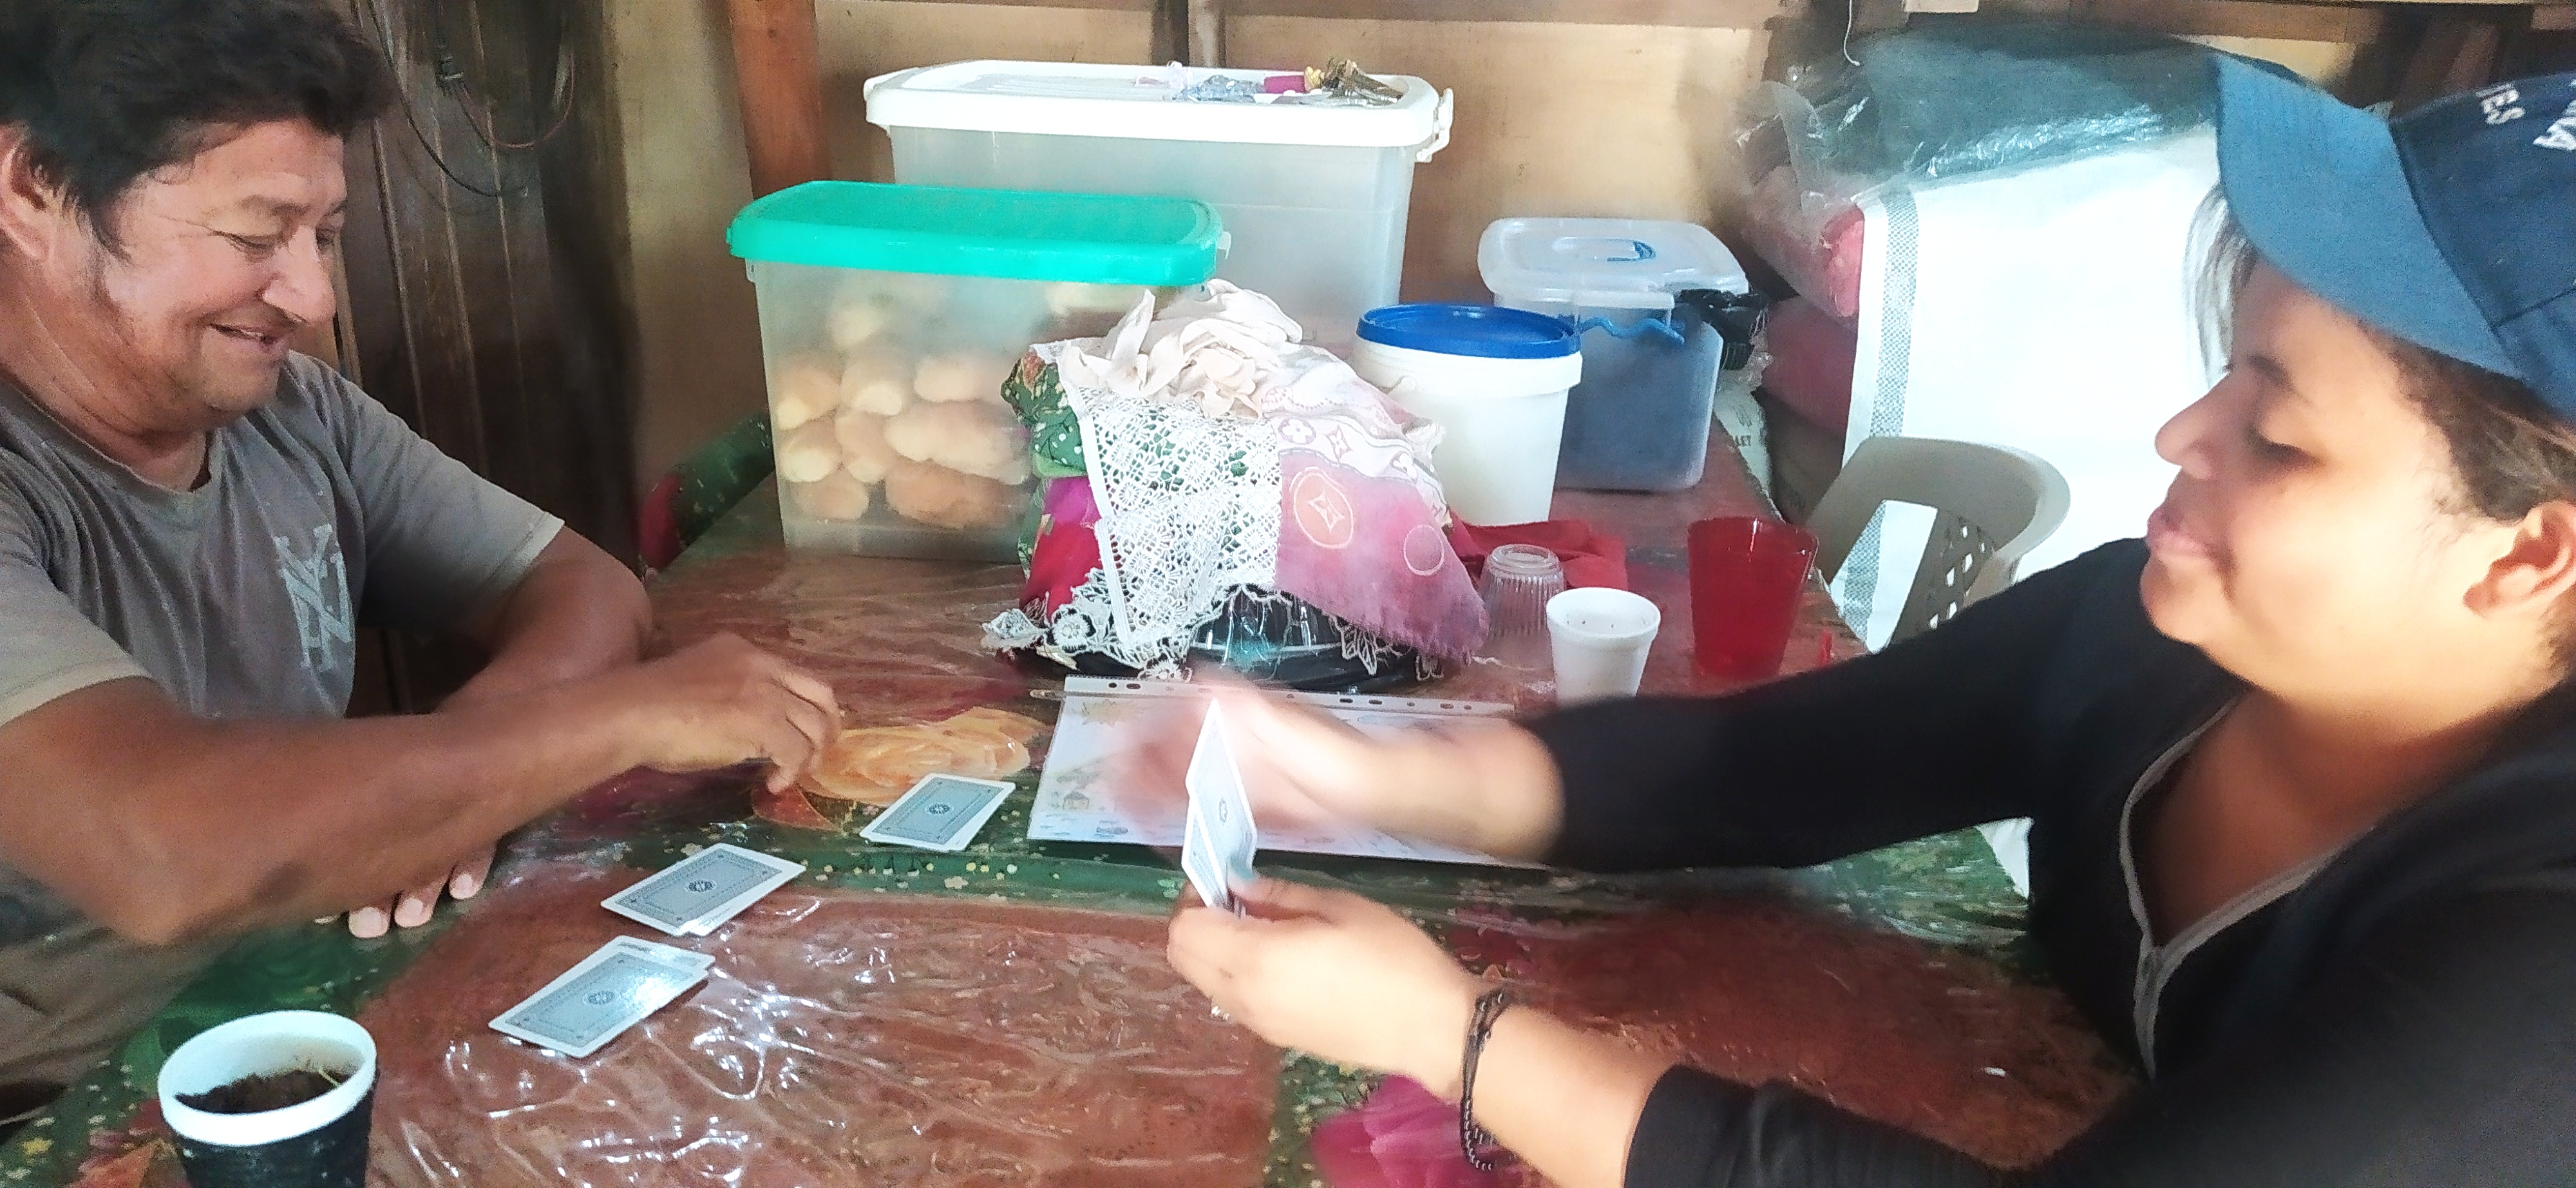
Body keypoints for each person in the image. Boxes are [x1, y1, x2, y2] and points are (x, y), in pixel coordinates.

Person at [1161, 60, 2576, 1187]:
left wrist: (1447, 1033)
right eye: (2227, 377)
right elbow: (1759, 770)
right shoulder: (2148, 640)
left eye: (2274, 436)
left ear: (2530, 554)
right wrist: (1358, 774)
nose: (2177, 435)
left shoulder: (2539, 963)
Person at [0, 0, 839, 1122]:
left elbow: (581, 586)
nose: (312, 298)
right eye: (255, 237)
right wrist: (612, 722)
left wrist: (450, 792)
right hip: (71, 1111)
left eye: (324, 237)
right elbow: (156, 852)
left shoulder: (296, 416)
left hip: (329, 996)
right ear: (35, 189)